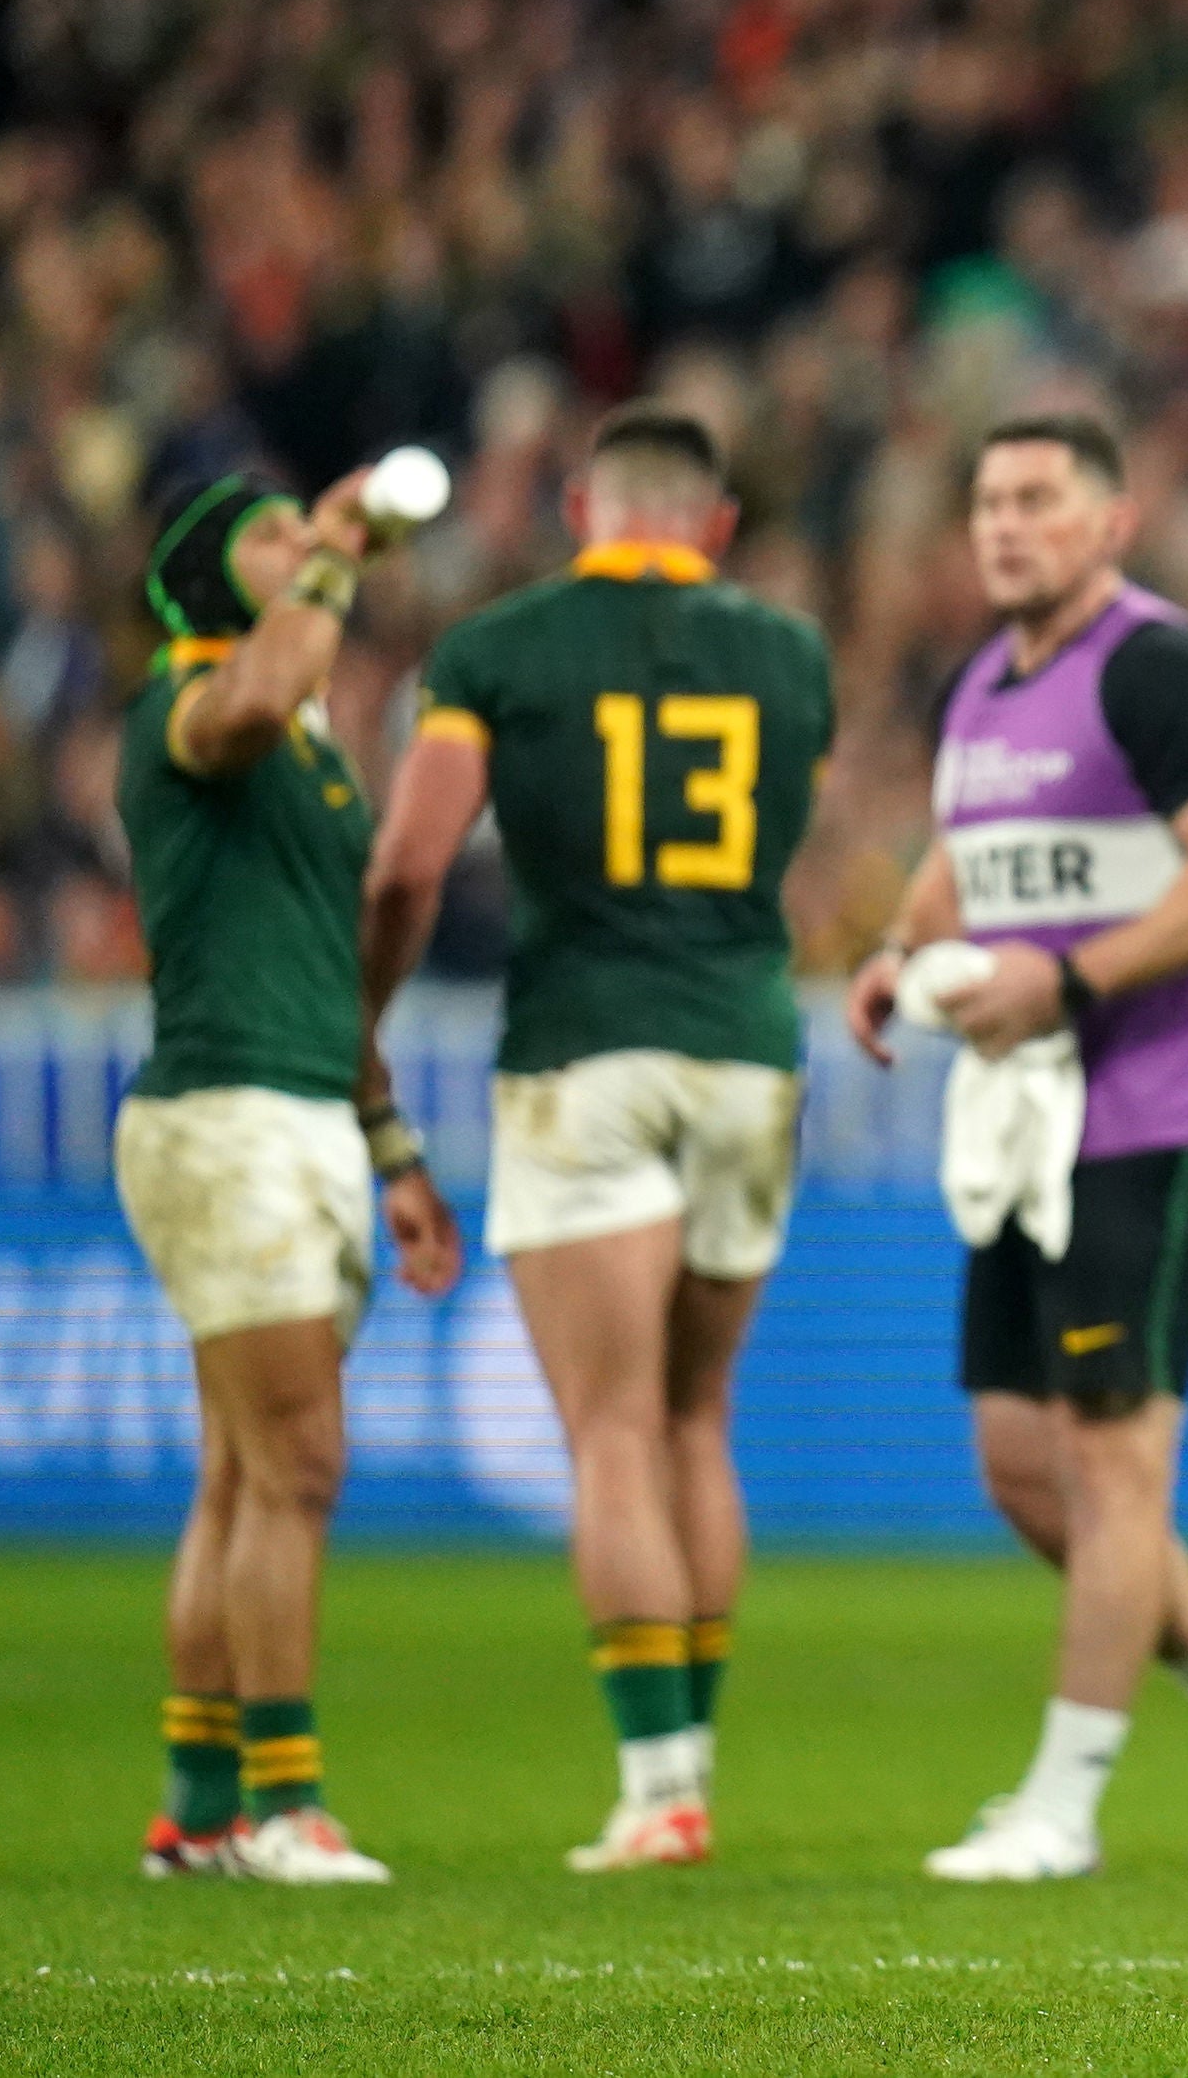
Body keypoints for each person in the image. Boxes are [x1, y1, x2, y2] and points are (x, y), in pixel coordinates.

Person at [845, 414, 1188, 1881]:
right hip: (1034, 1119)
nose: (1006, 524)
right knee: (1023, 1464)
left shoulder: (1161, 664)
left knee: (1115, 1466)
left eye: (1038, 499)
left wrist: (1066, 979)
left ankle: (1063, 1803)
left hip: (1161, 1115)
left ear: (1112, 521)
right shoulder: (982, 684)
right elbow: (978, 843)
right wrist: (903, 939)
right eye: (989, 498)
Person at [359, 406, 833, 1872]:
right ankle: (691, 1760)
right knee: (700, 1418)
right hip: (750, 1048)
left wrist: (355, 1018)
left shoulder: (497, 650)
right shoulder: (791, 654)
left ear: (580, 506)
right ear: (719, 522)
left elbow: (409, 865)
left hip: (586, 1044)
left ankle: (658, 1784)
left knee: (614, 1430)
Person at [115, 464, 464, 1885]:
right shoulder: (188, 704)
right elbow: (251, 700)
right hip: (228, 1115)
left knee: (240, 1474)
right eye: (261, 534)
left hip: (304, 1108)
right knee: (301, 1465)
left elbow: (328, 969)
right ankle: (286, 1803)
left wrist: (391, 1144)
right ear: (207, 575)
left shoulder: (310, 737)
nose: (298, 546)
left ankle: (197, 1807)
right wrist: (331, 559)